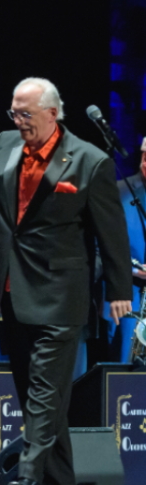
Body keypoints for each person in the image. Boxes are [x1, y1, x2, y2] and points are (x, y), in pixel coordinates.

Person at [0, 57, 131, 485]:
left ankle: (27, 477)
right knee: (37, 394)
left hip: (61, 294)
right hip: (7, 290)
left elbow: (111, 232)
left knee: (45, 389)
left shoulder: (89, 160)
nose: (18, 122)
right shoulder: (3, 145)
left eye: (26, 114)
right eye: (13, 113)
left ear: (52, 114)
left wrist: (119, 290)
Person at [102, 138, 146, 362]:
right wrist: (133, 270)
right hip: (130, 292)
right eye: (145, 156)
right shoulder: (119, 191)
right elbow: (101, 245)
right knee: (127, 362)